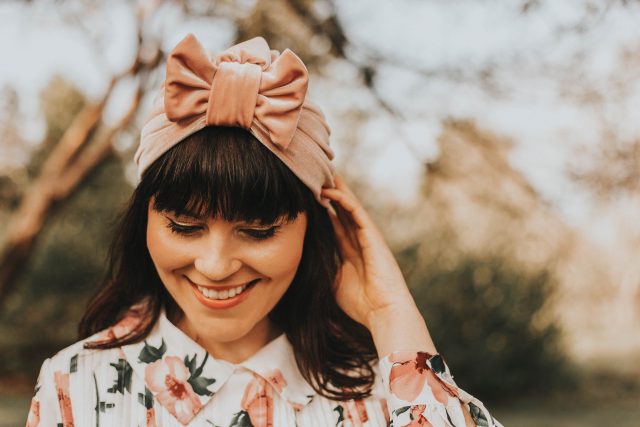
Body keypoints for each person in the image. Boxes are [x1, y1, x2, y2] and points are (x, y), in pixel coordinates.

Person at [25, 34, 503, 427]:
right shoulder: (74, 384)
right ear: (143, 223)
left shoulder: (381, 392)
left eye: (257, 231)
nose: (215, 266)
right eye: (184, 226)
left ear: (313, 231)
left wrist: (390, 314)